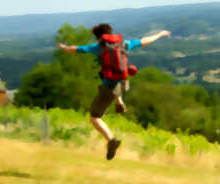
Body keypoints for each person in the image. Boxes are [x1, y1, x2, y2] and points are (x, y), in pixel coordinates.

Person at [58, 23, 171, 160]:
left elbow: (76, 49)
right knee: (114, 88)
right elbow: (144, 41)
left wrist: (64, 47)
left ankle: (111, 140)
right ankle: (119, 100)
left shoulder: (99, 47)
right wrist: (160, 34)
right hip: (124, 83)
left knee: (94, 117)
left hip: (110, 87)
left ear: (99, 37)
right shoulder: (124, 44)